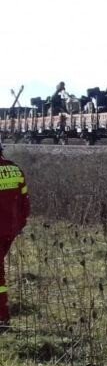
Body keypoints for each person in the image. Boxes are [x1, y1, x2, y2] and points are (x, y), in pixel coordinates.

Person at [0, 141, 31, 331]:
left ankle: (2, 318)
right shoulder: (15, 170)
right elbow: (25, 203)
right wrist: (18, 225)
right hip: (9, 231)